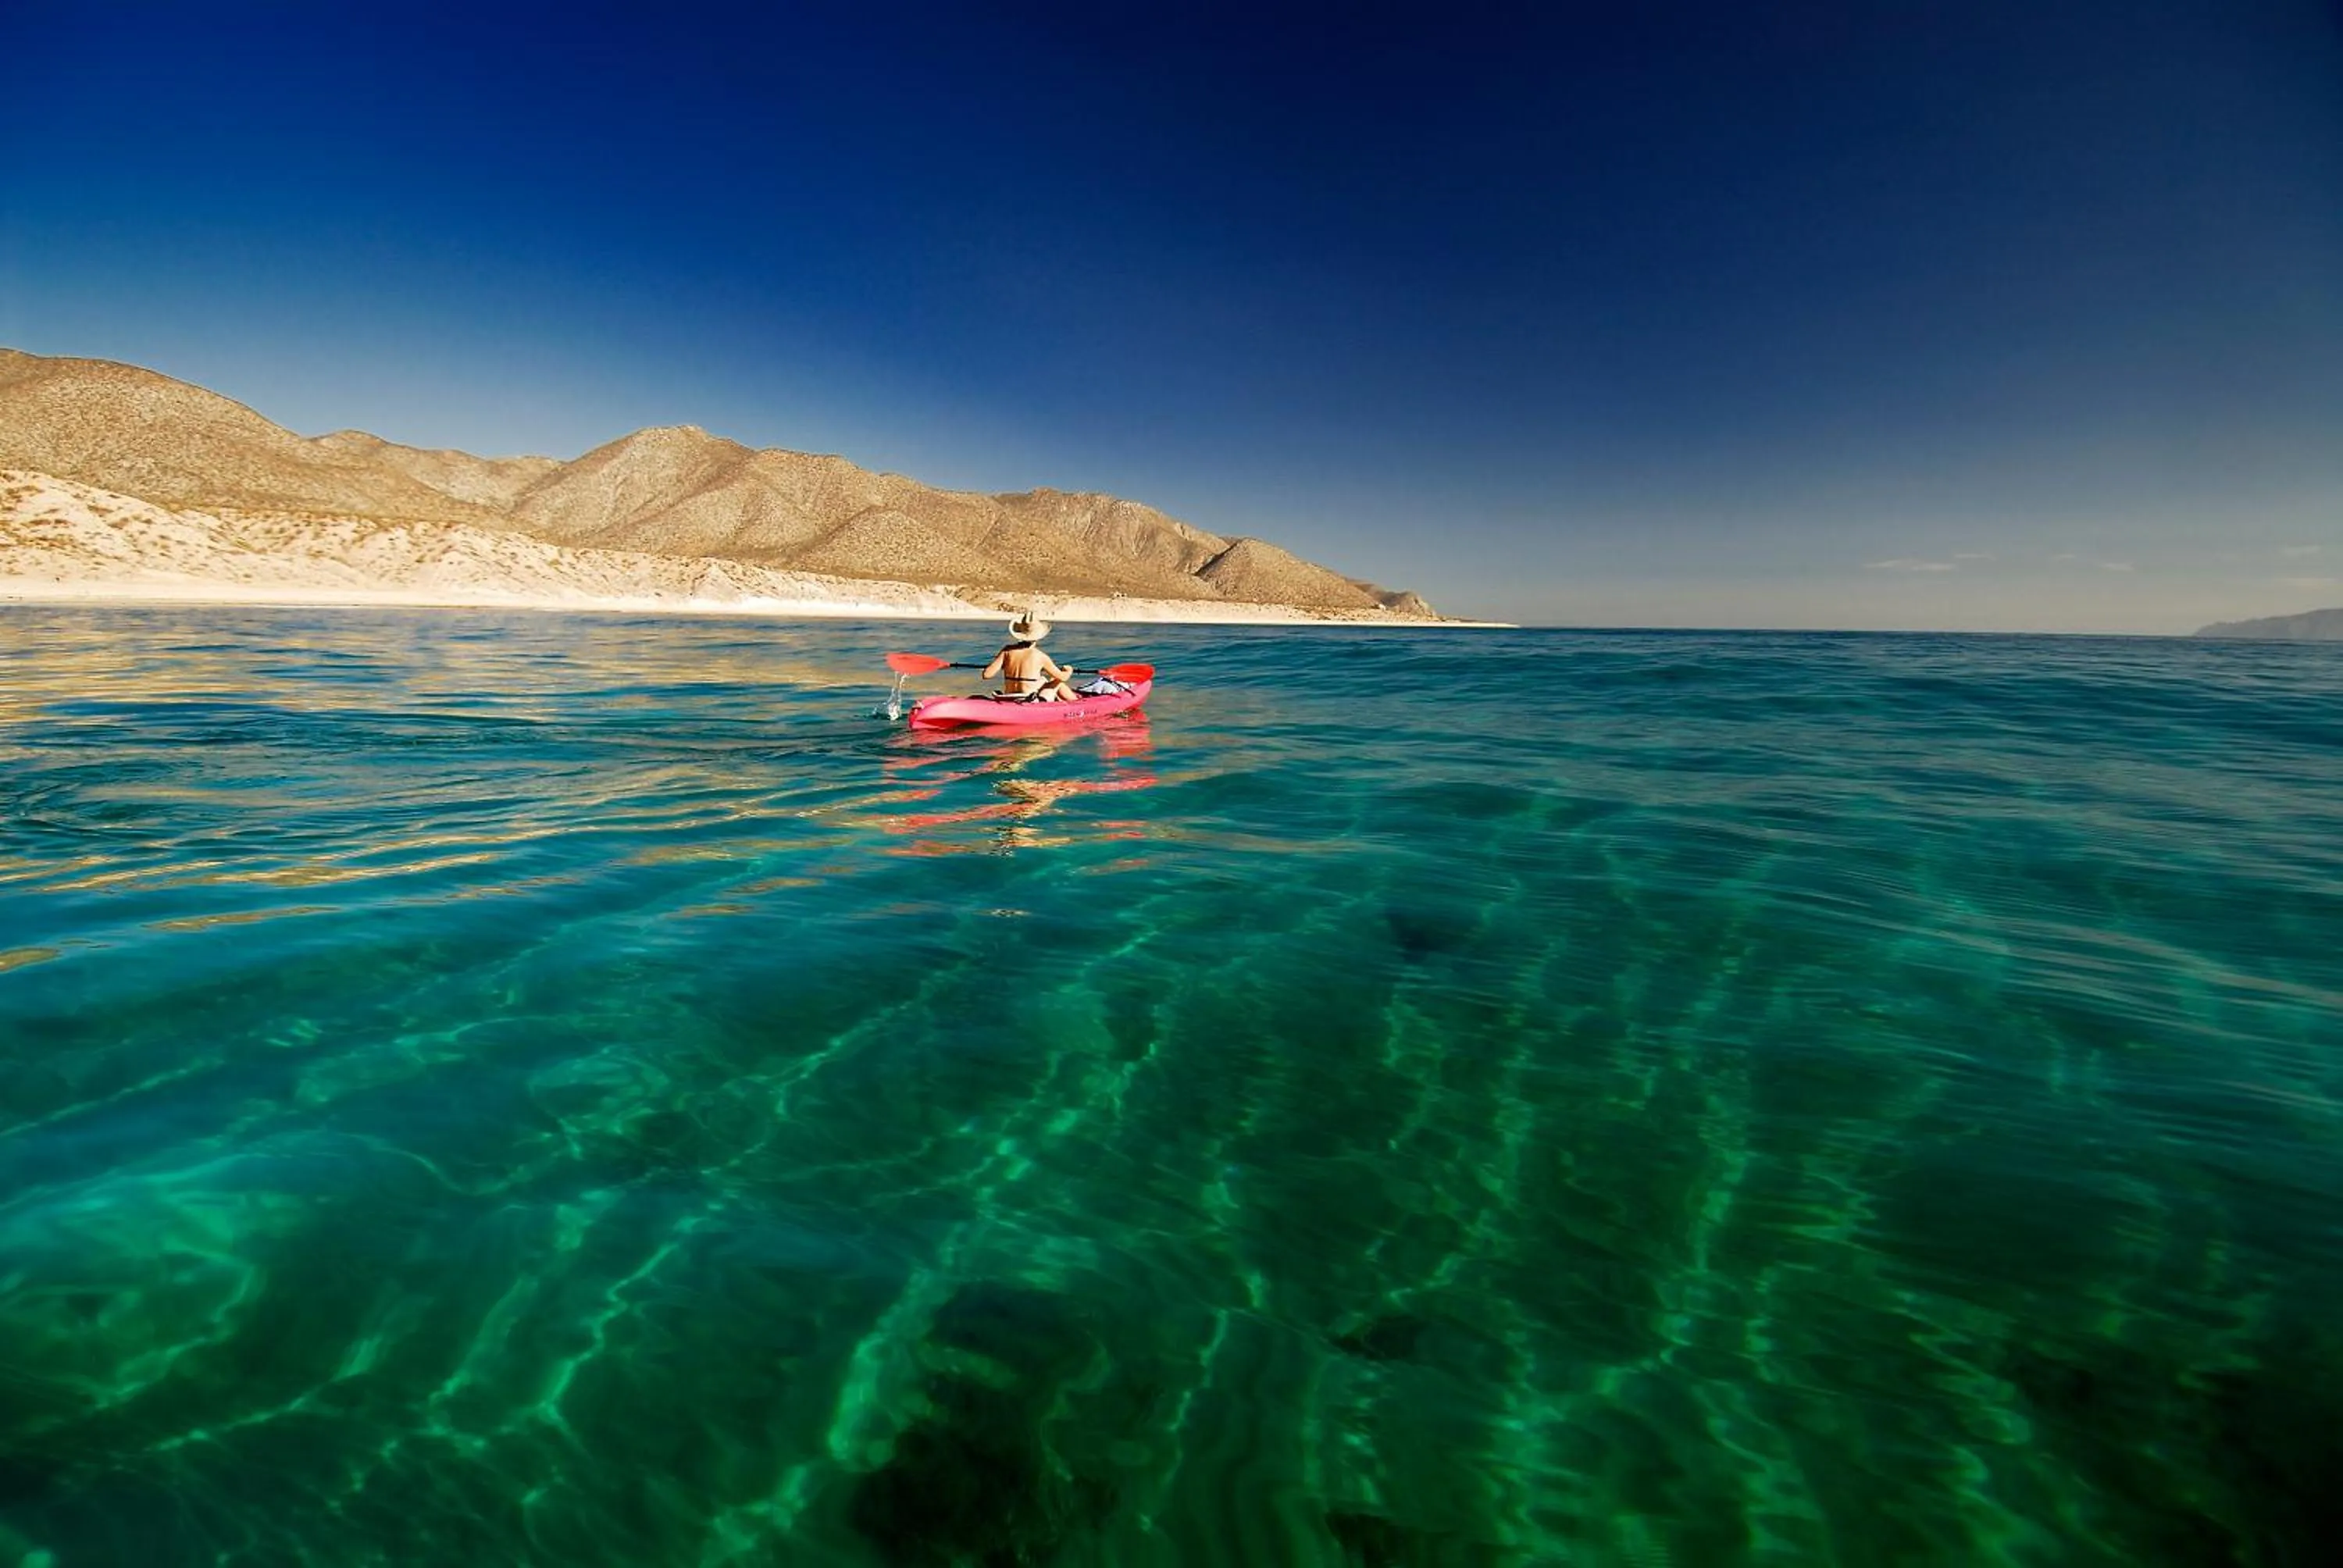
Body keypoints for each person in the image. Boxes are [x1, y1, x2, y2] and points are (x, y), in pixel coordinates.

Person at [982, 611, 1079, 701]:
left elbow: (986, 675)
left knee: (1043, 680)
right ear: (1038, 636)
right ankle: (1077, 704)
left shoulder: (1007, 651)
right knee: (1058, 682)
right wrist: (1069, 671)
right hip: (1030, 698)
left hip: (1009, 695)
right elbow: (1063, 677)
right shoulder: (1040, 656)